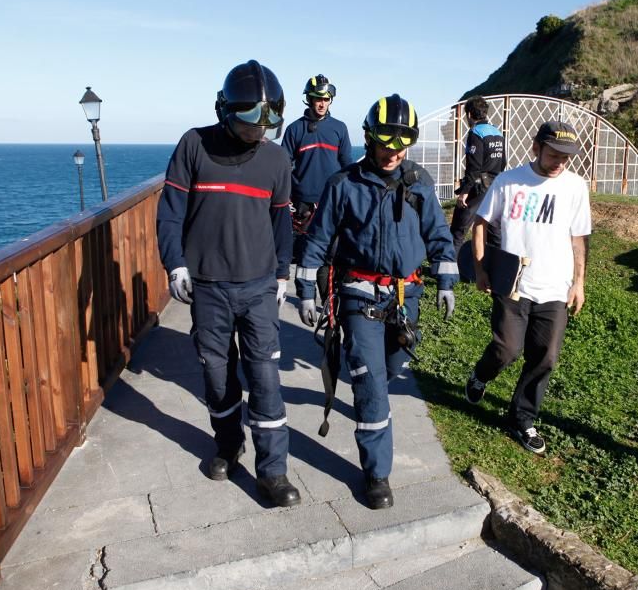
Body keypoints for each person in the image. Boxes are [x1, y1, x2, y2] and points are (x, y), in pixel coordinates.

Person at [295, 94, 458, 509]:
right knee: (369, 385)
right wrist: (305, 290)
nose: (394, 152)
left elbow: (438, 235)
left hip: (406, 296)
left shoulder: (419, 183)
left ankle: (374, 407)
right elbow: (316, 242)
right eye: (387, 142)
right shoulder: (343, 185)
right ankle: (377, 473)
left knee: (390, 369)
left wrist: (446, 280)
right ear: (369, 139)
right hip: (359, 295)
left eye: (402, 144)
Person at [156, 60, 300, 508]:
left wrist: (283, 272)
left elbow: (281, 221)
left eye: (267, 123)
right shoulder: (193, 145)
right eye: (250, 122)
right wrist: (175, 264)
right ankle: (227, 444)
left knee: (266, 380)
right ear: (224, 111)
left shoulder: (277, 159)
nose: (259, 132)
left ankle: (273, 471)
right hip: (207, 287)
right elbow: (171, 212)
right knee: (217, 377)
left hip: (258, 286)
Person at [464, 121, 591, 455]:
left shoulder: (575, 187)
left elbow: (579, 237)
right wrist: (480, 269)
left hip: (555, 288)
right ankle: (480, 375)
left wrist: (578, 282)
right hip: (513, 285)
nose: (560, 162)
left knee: (545, 358)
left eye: (567, 156)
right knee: (507, 349)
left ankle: (522, 418)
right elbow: (480, 224)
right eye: (554, 154)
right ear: (535, 147)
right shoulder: (509, 181)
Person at [281, 74, 352, 294]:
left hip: (332, 203)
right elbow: (284, 166)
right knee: (306, 257)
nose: (322, 103)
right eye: (317, 98)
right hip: (302, 206)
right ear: (309, 99)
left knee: (331, 257)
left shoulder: (339, 128)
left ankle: (328, 305)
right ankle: (305, 298)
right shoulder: (294, 129)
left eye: (326, 98)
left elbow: (347, 166)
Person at [449, 96, 506, 257]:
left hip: (478, 186)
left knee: (458, 229)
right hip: (495, 186)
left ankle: (450, 270)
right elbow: (503, 162)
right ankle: (499, 266)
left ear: (469, 115)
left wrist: (464, 192)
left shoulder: (476, 133)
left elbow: (474, 167)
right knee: (494, 230)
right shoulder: (497, 132)